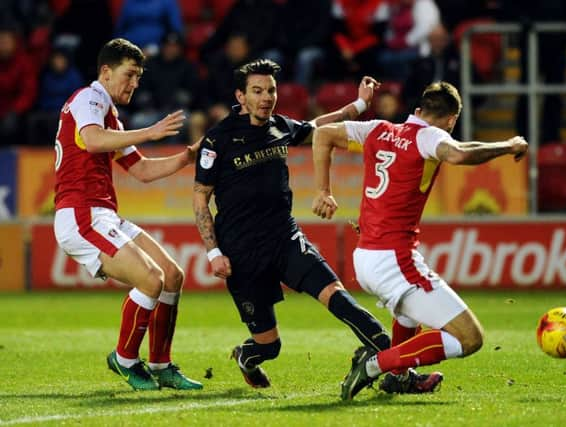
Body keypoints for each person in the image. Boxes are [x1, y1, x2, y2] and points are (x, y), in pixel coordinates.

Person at [311, 81, 528, 400]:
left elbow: (323, 134)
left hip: (367, 255)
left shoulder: (378, 128)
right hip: (394, 260)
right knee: (470, 338)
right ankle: (376, 364)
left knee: (407, 313)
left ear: (418, 110)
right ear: (451, 120)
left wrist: (323, 191)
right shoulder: (430, 136)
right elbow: (457, 154)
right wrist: (507, 146)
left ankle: (398, 377)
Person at [193, 59, 393, 390]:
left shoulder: (280, 126)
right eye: (257, 91)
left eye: (270, 90)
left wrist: (360, 104)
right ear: (241, 96)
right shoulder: (218, 140)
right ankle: (248, 356)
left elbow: (321, 126)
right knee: (269, 346)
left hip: (285, 238)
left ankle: (393, 363)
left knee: (337, 295)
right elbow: (200, 197)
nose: (266, 97)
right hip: (242, 252)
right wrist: (213, 251)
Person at [53, 38, 202, 391]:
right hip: (81, 214)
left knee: (171, 274)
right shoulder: (88, 100)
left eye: (138, 77)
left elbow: (143, 170)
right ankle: (124, 359)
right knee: (150, 279)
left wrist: (187, 156)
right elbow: (91, 141)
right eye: (129, 75)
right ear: (105, 72)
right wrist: (150, 131)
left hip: (103, 213)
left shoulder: (110, 117)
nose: (134, 84)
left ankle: (161, 364)